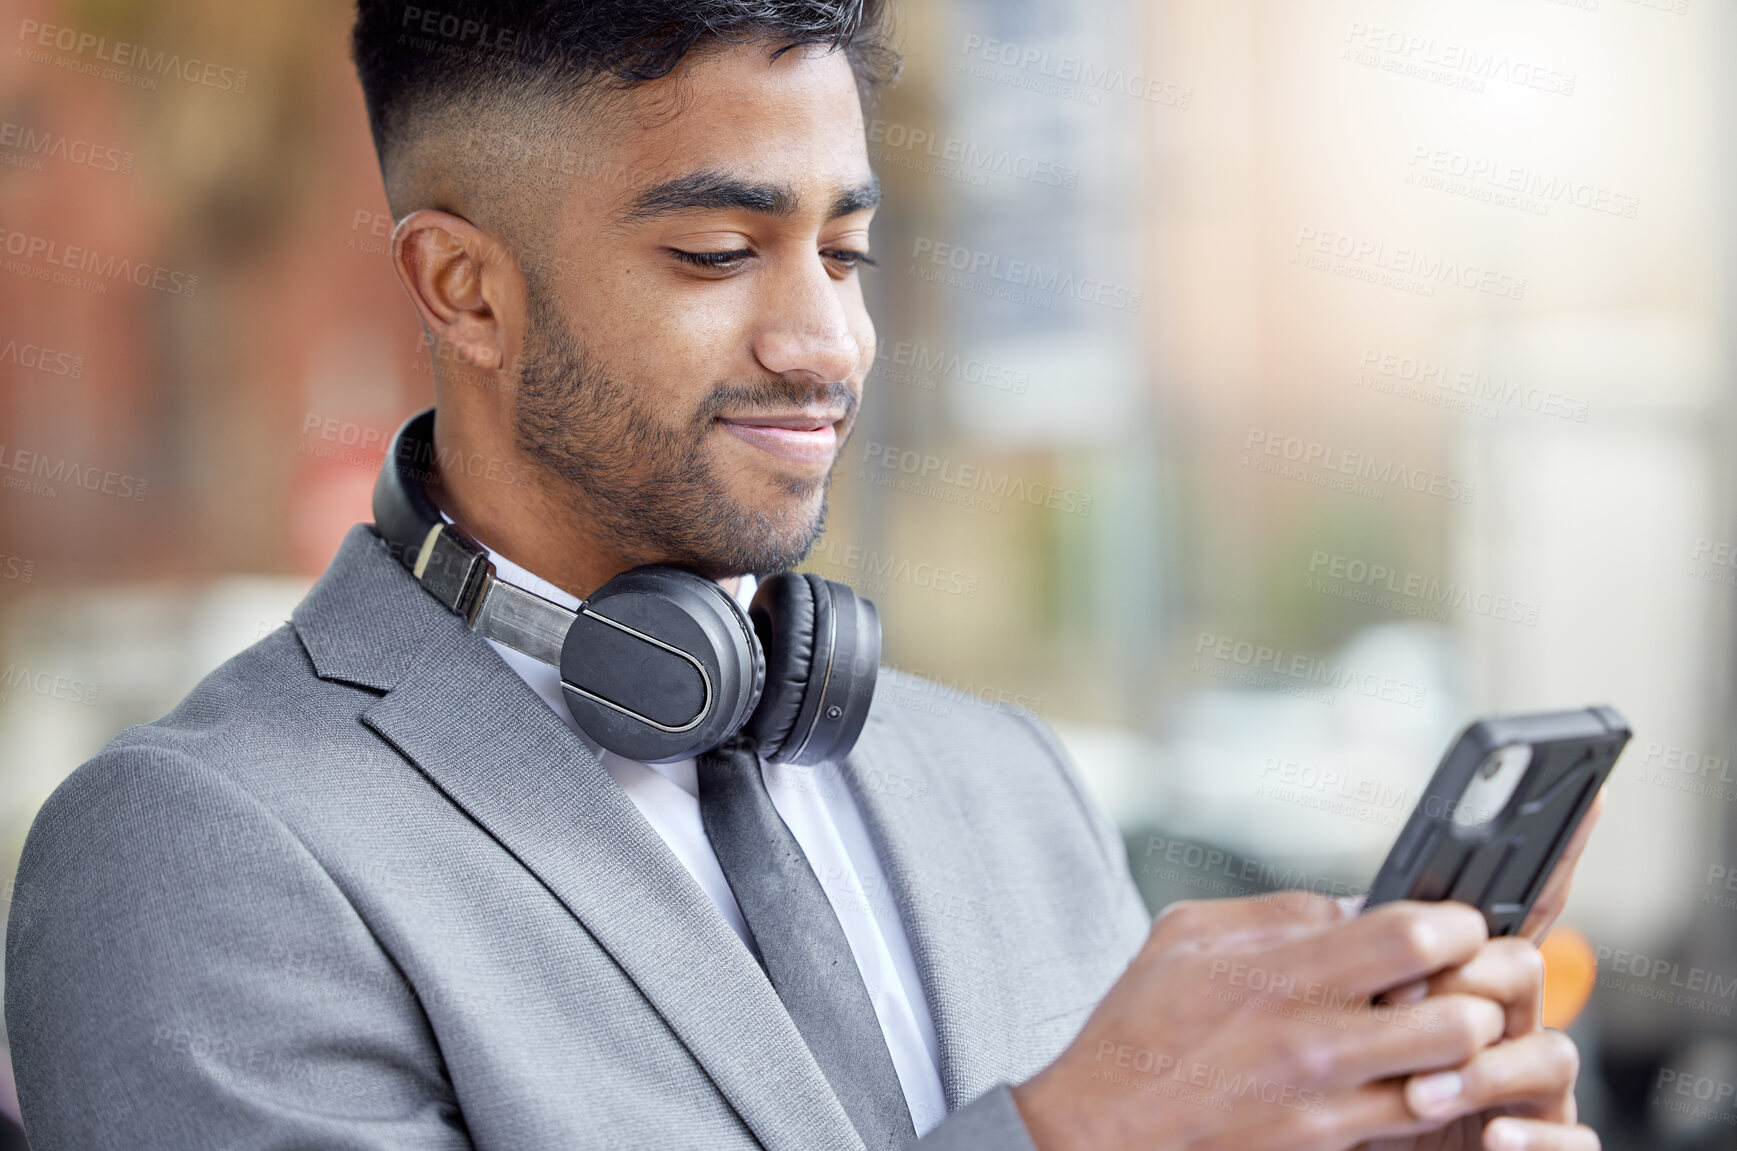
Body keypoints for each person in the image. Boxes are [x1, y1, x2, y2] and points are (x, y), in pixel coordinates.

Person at [4, 2, 1598, 1148]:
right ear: (463, 289)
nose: (824, 342)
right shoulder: (193, 850)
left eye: (846, 250)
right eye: (716, 254)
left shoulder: (1000, 781)